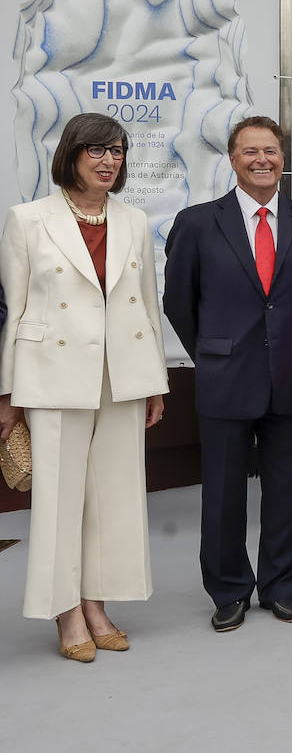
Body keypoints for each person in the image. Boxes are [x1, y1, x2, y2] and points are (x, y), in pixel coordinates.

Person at [0, 113, 168, 662]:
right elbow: (15, 308)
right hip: (51, 375)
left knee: (113, 497)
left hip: (121, 377)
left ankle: (96, 604)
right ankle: (65, 611)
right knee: (58, 499)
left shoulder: (134, 220)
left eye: (117, 151)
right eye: (96, 150)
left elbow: (145, 303)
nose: (108, 160)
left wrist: (154, 383)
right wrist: (7, 395)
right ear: (72, 154)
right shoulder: (28, 220)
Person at [163, 115, 292, 632]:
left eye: (272, 151)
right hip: (224, 376)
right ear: (232, 159)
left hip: (291, 374)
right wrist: (212, 351)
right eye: (250, 151)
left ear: (284, 159)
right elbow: (177, 302)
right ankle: (229, 590)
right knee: (222, 492)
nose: (262, 160)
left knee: (288, 489)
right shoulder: (197, 223)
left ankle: (282, 586)